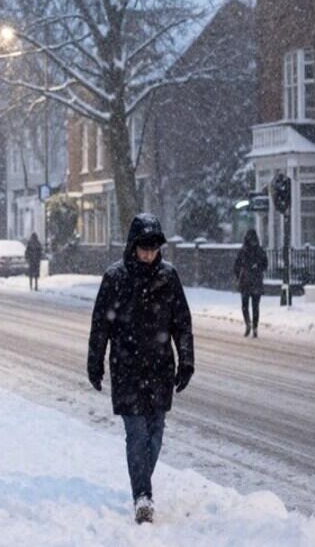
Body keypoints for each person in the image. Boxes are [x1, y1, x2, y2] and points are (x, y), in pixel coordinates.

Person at [87, 214, 194, 525]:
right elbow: (100, 325)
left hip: (160, 367)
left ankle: (141, 481)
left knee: (156, 433)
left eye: (153, 248)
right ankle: (143, 497)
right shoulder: (115, 278)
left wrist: (186, 360)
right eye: (143, 248)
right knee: (136, 433)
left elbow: (182, 324)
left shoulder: (168, 278)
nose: (148, 254)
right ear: (133, 247)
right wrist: (95, 361)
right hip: (127, 367)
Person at [234, 229, 268, 338]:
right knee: (255, 306)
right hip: (256, 281)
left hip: (245, 282)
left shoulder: (243, 251)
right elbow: (265, 265)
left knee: (245, 305)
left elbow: (236, 265)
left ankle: (248, 323)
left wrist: (239, 275)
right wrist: (258, 268)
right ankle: (255, 327)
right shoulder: (260, 251)